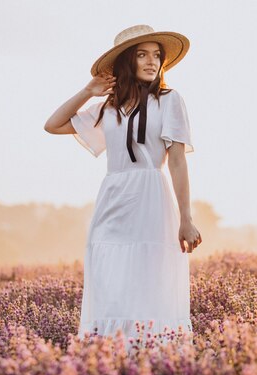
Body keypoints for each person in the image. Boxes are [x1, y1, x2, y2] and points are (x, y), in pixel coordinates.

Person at [44, 25, 201, 352]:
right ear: (126, 61)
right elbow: (53, 124)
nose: (151, 62)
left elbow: (177, 162)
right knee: (109, 277)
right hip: (113, 199)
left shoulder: (170, 101)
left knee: (150, 279)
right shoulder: (108, 107)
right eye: (142, 54)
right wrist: (89, 91)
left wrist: (187, 218)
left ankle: (154, 362)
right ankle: (111, 358)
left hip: (152, 198)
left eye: (156, 55)